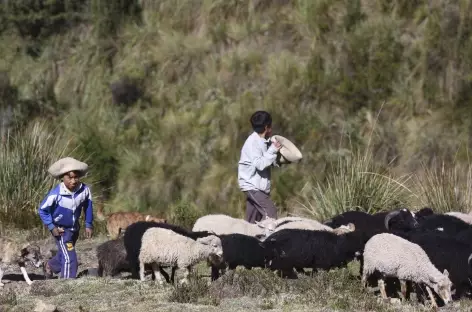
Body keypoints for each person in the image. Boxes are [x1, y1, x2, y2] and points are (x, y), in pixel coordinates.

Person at [38, 157, 94, 279]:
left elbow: (88, 206)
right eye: (70, 177)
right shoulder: (56, 194)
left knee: (65, 252)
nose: (73, 181)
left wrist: (88, 224)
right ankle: (68, 282)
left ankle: (50, 266)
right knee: (70, 256)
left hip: (75, 229)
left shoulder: (84, 190)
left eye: (76, 177)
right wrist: (52, 227)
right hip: (61, 230)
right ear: (62, 177)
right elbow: (42, 210)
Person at [238, 111, 282, 223]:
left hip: (258, 187)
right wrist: (273, 150)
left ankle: (249, 239)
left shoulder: (262, 141)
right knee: (270, 213)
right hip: (252, 186)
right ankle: (268, 239)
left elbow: (265, 159)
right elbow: (260, 164)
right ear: (267, 127)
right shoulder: (253, 142)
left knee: (252, 220)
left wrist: (278, 160)